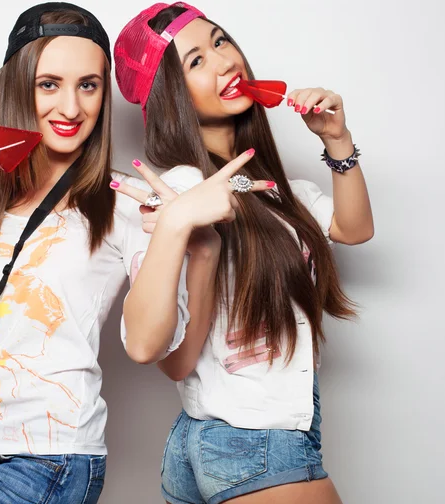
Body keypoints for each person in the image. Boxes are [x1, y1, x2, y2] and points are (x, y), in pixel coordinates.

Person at [0, 3, 191, 503]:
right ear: (19, 88)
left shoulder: (124, 202)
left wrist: (171, 233)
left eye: (89, 85)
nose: (71, 107)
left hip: (52, 455)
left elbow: (151, 347)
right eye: (49, 84)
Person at [112, 3, 374, 503]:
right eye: (195, 62)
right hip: (254, 442)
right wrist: (182, 226)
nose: (223, 61)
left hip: (218, 439)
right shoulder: (181, 190)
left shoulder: (274, 190)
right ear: (170, 96)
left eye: (220, 41)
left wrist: (337, 139)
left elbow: (353, 228)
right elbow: (157, 353)